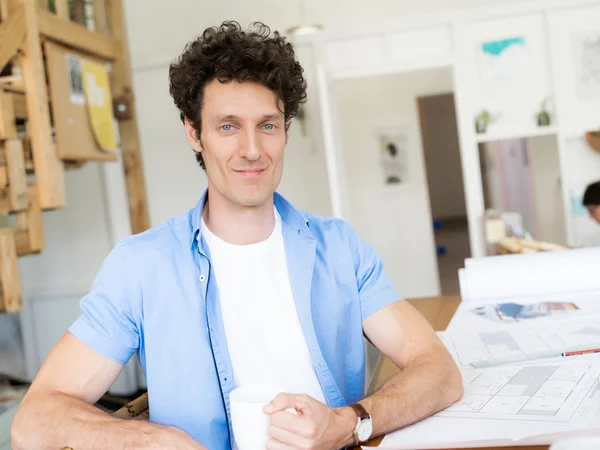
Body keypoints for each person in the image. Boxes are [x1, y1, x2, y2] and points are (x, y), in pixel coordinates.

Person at [11, 21, 463, 450]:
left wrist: (348, 423)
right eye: (228, 126)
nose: (251, 149)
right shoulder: (142, 266)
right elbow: (34, 420)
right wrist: (154, 439)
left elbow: (439, 370)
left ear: (285, 132)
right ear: (194, 133)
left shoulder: (339, 248)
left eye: (267, 125)